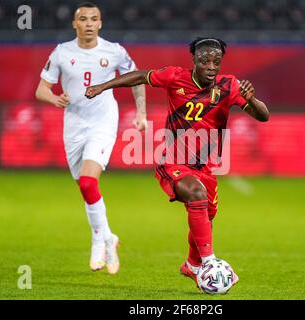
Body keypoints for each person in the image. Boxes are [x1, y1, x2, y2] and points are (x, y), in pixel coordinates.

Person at [85, 37, 269, 287]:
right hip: (172, 161)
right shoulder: (175, 77)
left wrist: (251, 99)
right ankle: (210, 262)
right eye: (205, 61)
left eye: (216, 61)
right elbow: (140, 76)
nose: (212, 66)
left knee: (206, 215)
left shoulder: (230, 86)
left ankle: (193, 265)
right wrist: (102, 86)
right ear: (195, 60)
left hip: (206, 168)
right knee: (195, 194)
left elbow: (263, 116)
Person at [35, 2, 147, 275]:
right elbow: (41, 89)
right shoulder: (62, 52)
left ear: (100, 23)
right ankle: (108, 236)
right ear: (74, 24)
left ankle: (99, 240)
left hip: (102, 121)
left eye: (93, 19)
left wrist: (141, 112)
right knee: (86, 190)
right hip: (73, 125)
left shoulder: (114, 51)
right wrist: (54, 98)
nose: (88, 23)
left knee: (88, 181)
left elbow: (138, 78)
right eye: (82, 19)